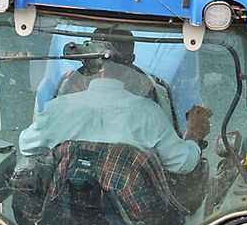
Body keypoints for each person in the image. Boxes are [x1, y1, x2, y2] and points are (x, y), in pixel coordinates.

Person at [18, 27, 211, 174]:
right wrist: (194, 134)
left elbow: (27, 146)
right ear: (131, 61)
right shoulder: (149, 115)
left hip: (61, 219)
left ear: (88, 59)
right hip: (134, 223)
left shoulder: (58, 110)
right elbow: (182, 163)